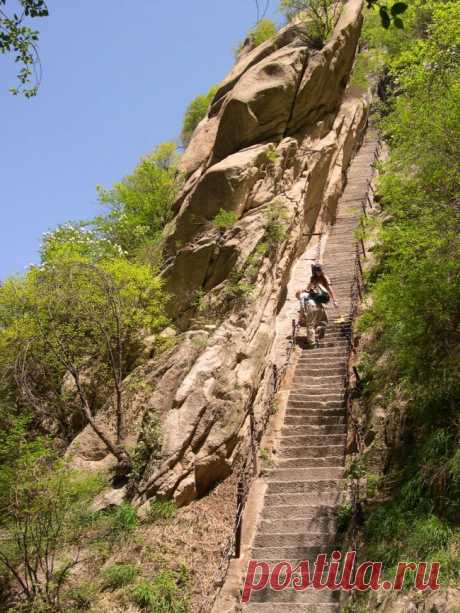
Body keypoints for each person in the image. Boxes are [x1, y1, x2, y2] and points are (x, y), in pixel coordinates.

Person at [296, 263, 338, 345]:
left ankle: (312, 342)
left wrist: (335, 300)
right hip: (318, 302)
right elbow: (308, 288)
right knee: (322, 321)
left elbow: (330, 289)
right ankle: (317, 335)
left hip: (320, 301)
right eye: (317, 271)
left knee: (317, 322)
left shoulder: (323, 278)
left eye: (319, 270)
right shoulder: (315, 279)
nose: (318, 272)